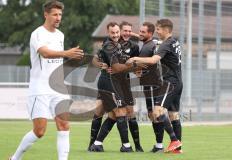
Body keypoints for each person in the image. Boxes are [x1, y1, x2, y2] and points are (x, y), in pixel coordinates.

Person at [9, 1, 84, 160]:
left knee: (64, 125)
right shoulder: (37, 33)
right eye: (55, 14)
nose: (58, 18)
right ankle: (15, 158)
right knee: (40, 131)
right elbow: (45, 53)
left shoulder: (60, 35)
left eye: (60, 15)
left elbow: (58, 59)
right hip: (40, 88)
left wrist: (71, 58)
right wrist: (67, 54)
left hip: (58, 88)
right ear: (46, 15)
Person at [127, 19, 183, 153]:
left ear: (166, 30)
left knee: (157, 112)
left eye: (159, 29)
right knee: (173, 115)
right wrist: (135, 35)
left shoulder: (165, 44)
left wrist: (135, 59)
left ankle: (174, 140)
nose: (157, 31)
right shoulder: (174, 41)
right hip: (178, 82)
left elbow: (153, 60)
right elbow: (156, 42)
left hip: (169, 82)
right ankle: (177, 148)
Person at [87, 21, 144, 152]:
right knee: (102, 112)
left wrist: (137, 70)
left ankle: (135, 146)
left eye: (129, 31)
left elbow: (132, 65)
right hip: (109, 82)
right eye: (124, 31)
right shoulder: (109, 44)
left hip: (123, 83)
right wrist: (101, 65)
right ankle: (95, 144)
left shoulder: (133, 46)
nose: (125, 33)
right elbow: (96, 59)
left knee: (123, 113)